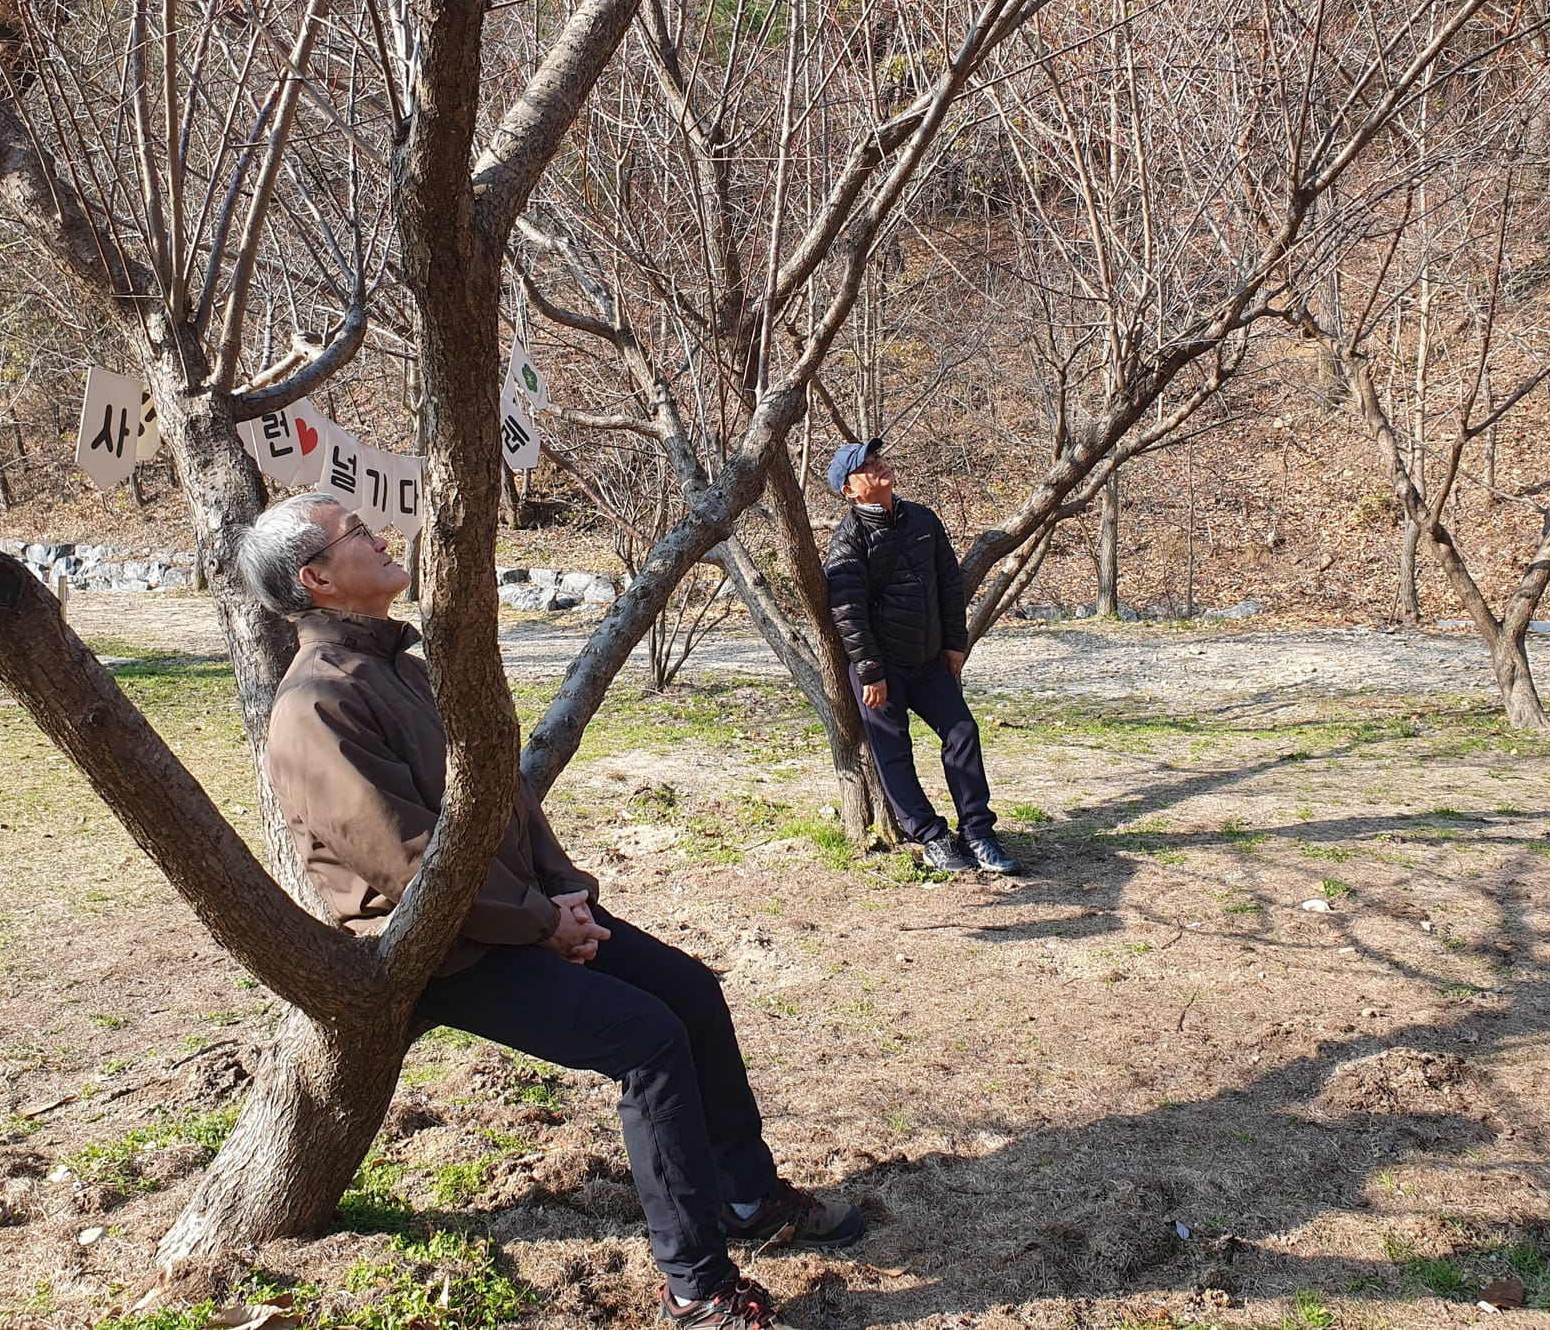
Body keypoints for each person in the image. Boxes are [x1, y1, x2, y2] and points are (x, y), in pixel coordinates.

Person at [237, 492, 858, 1330]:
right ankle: (695, 1286)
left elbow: (503, 799)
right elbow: (404, 857)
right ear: (317, 580)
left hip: (521, 914)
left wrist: (565, 890)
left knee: (691, 993)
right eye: (356, 534)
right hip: (442, 951)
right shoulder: (314, 705)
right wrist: (539, 922)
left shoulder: (402, 666)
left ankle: (747, 1201)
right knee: (648, 1042)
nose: (382, 536)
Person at [822, 439, 1025, 876]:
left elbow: (949, 584)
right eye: (866, 466)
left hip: (931, 661)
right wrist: (871, 670)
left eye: (877, 458)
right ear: (850, 491)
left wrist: (955, 644)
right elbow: (848, 612)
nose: (878, 465)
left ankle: (979, 833)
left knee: (963, 733)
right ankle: (932, 838)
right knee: (893, 754)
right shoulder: (848, 541)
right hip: (882, 671)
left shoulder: (923, 520)